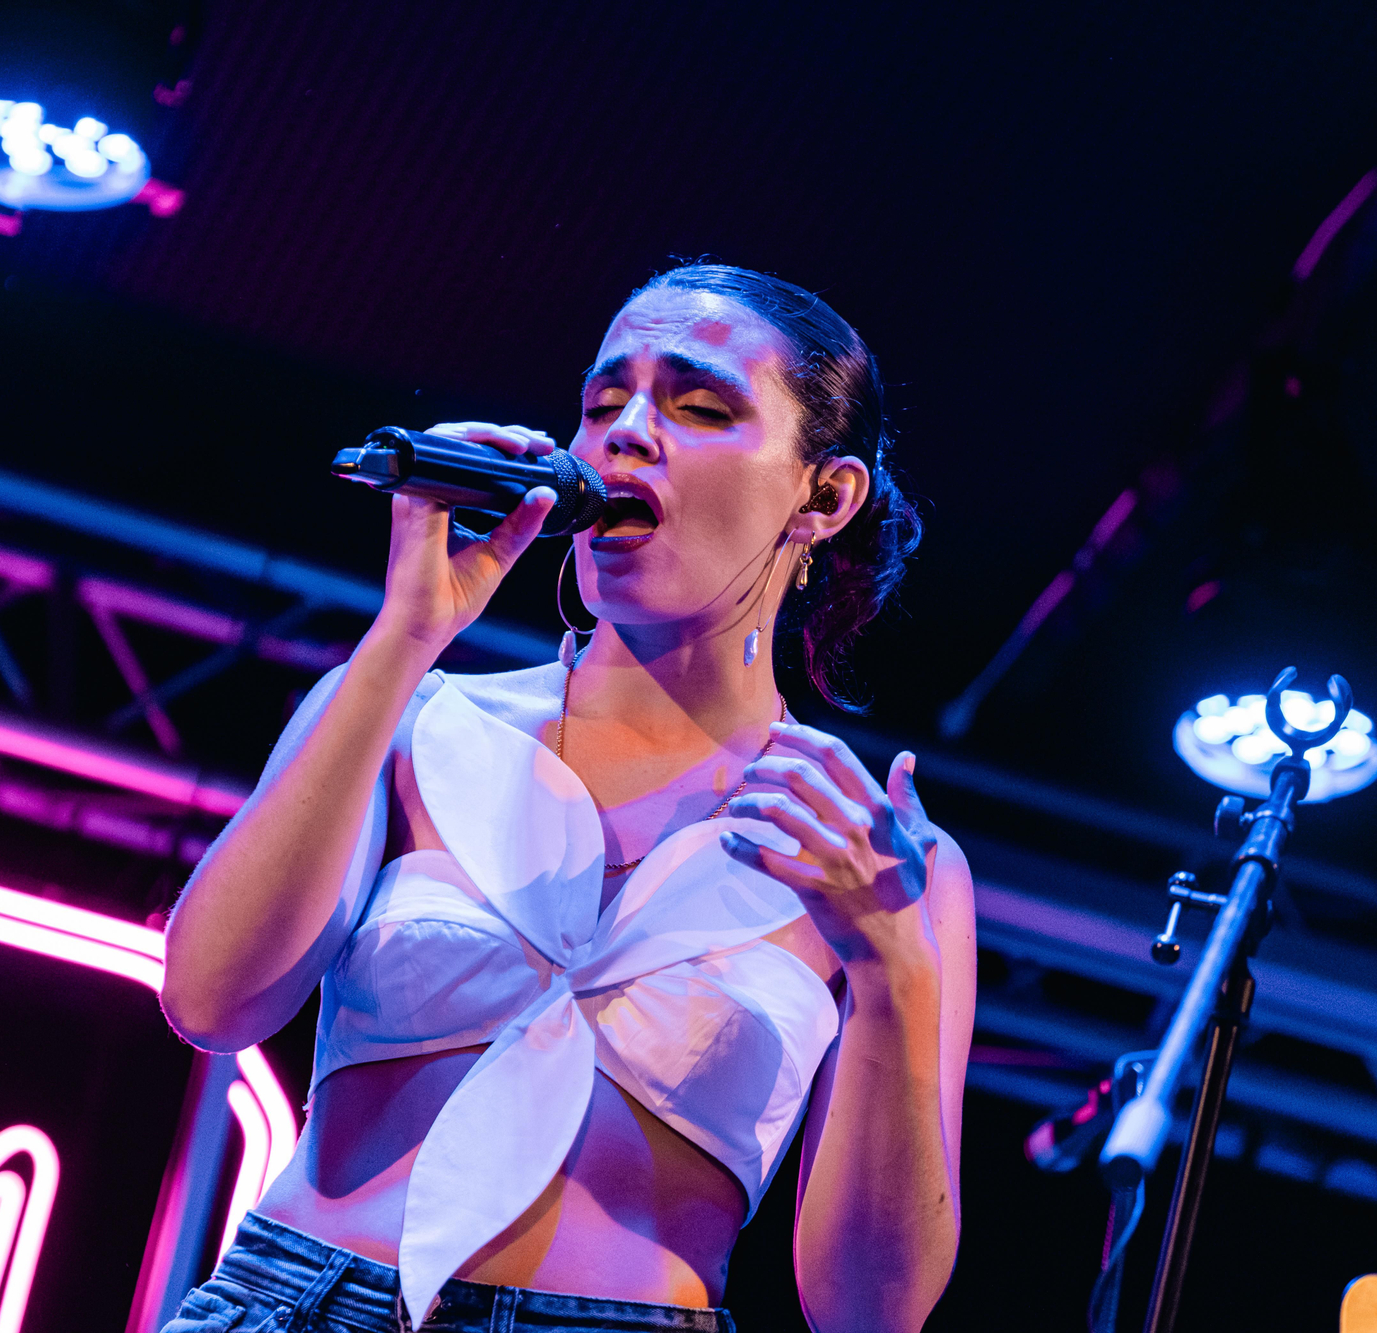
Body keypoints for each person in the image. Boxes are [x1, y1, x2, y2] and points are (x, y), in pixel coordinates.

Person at [160, 263, 976, 1333]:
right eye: (602, 404)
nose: (625, 433)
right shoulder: (421, 715)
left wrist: (888, 964)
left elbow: (871, 1312)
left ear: (823, 496)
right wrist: (403, 639)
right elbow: (212, 1002)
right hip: (302, 1302)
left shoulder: (874, 849)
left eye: (698, 404)